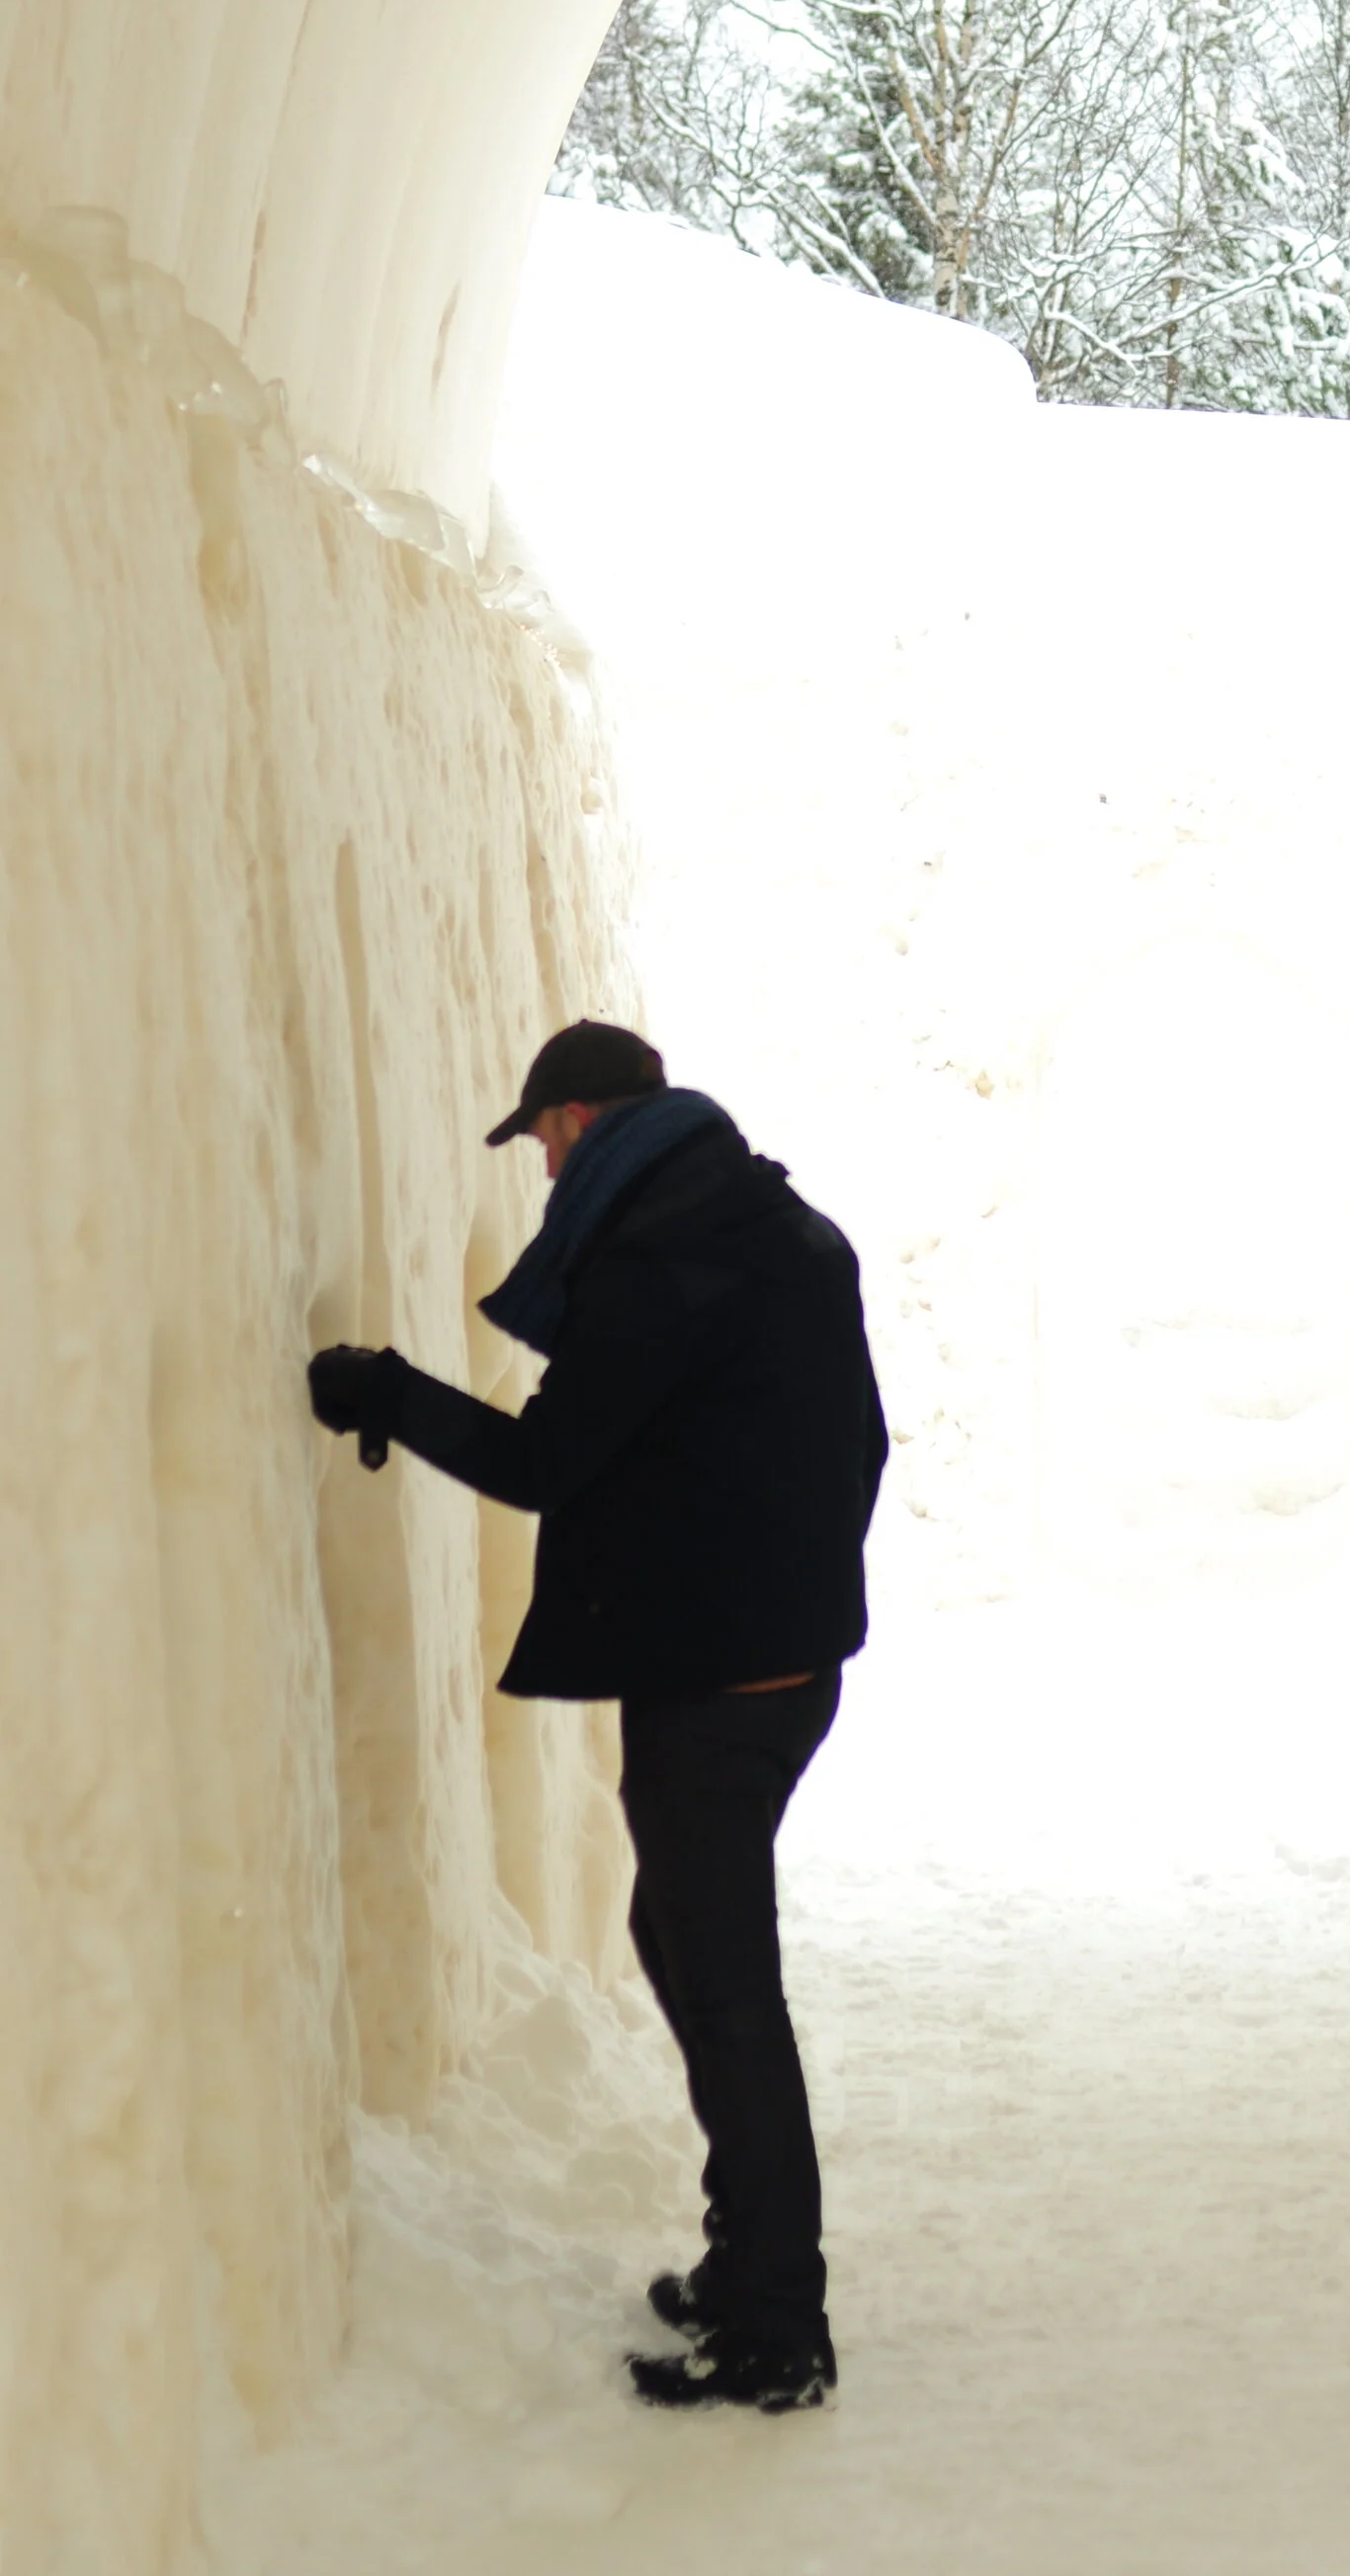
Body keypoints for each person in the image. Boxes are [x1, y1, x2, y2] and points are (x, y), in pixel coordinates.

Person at [305, 1019, 886, 2415]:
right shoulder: (773, 1219)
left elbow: (545, 1461)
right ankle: (749, 2258)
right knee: (680, 1940)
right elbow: (847, 1438)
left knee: (723, 1981)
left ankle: (775, 2327)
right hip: (780, 1663)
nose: (546, 1166)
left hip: (722, 1683)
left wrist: (384, 1390)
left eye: (547, 1137)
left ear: (583, 1120)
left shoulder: (654, 1266)